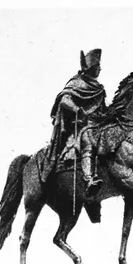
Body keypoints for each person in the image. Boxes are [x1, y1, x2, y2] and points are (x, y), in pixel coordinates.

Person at [49, 49, 107, 198]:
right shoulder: (77, 83)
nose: (99, 70)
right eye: (96, 68)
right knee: (88, 141)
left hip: (97, 125)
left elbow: (103, 110)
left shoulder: (99, 89)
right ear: (90, 69)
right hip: (80, 126)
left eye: (99, 68)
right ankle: (88, 179)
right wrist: (78, 110)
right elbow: (64, 101)